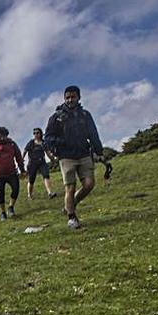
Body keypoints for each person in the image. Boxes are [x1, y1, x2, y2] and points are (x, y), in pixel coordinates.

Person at [44, 85, 103, 229]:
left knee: (89, 184)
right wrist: (62, 143)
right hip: (66, 156)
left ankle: (71, 204)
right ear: (64, 98)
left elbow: (93, 134)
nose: (70, 100)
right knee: (70, 187)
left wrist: (99, 151)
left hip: (83, 153)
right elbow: (48, 138)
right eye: (67, 97)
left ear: (79, 97)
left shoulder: (85, 115)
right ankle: (71, 217)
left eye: (73, 97)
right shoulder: (56, 117)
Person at [0, 127, 26, 221]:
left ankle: (11, 207)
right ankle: (3, 213)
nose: (1, 138)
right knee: (0, 194)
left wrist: (22, 170)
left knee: (16, 189)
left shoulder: (12, 144)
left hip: (12, 173)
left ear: (6, 135)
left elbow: (18, 157)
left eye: (3, 136)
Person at [23, 128, 57, 200]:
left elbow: (47, 152)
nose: (36, 134)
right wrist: (21, 160)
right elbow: (25, 151)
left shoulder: (43, 143)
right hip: (32, 163)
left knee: (46, 176)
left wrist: (52, 160)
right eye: (34, 133)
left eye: (37, 133)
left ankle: (50, 193)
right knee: (31, 180)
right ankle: (29, 195)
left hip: (42, 162)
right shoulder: (31, 143)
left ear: (40, 133)